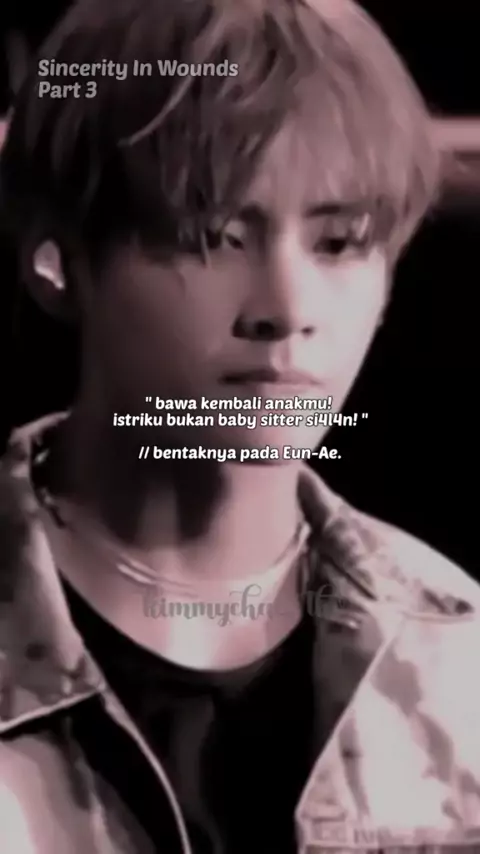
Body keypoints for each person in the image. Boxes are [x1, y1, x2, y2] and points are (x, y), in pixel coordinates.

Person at [0, 0, 479, 851]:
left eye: (339, 243)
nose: (286, 310)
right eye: (213, 235)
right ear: (57, 261)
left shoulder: (460, 660)